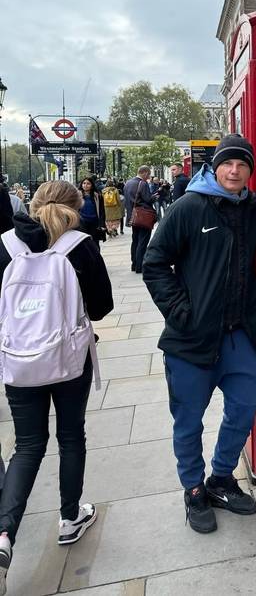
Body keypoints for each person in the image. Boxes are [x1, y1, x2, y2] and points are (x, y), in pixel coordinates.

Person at [143, 134, 256, 534]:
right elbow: (155, 262)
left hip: (240, 335)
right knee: (188, 420)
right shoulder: (187, 208)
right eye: (228, 163)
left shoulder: (254, 210)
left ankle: (222, 478)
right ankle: (194, 490)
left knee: (244, 409)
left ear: (250, 170)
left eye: (242, 165)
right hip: (192, 339)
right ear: (214, 168)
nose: (234, 171)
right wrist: (181, 311)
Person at [0, 180, 114, 595]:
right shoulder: (79, 245)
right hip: (68, 360)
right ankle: (69, 518)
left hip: (19, 363)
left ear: (31, 204)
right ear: (77, 205)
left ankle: (3, 536)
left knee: (28, 445)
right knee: (70, 436)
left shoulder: (6, 244)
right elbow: (103, 306)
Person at [123, 165, 156, 274]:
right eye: (149, 173)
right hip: (143, 216)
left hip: (133, 216)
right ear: (145, 172)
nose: (149, 176)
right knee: (143, 241)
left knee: (135, 240)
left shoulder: (128, 183)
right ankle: (140, 266)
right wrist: (155, 196)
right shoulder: (143, 183)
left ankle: (134, 264)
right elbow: (147, 199)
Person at [77, 177, 105, 249]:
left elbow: (102, 210)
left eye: (88, 183)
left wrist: (102, 224)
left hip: (94, 223)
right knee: (84, 243)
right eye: (84, 183)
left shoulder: (97, 195)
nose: (85, 185)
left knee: (95, 243)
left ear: (92, 185)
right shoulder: (77, 195)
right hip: (82, 222)